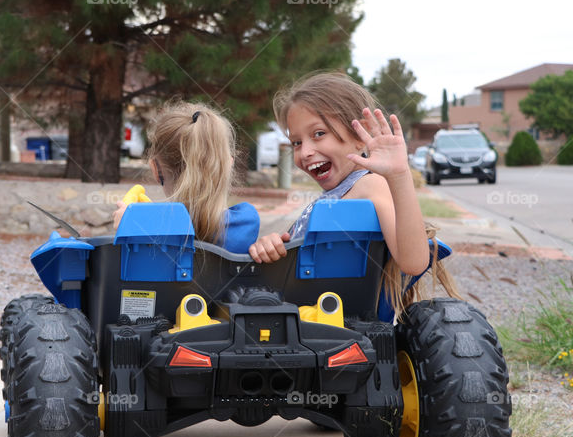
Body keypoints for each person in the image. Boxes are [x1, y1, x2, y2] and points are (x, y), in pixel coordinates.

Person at [248, 72, 456, 311]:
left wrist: (399, 175)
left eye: (319, 134)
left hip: (325, 322)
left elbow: (414, 262)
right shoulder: (337, 195)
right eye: (297, 142)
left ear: (360, 134)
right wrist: (271, 245)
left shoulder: (369, 185)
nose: (305, 152)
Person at [112, 100, 260, 252]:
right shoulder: (246, 223)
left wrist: (133, 222)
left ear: (155, 169)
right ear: (228, 166)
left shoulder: (141, 228)